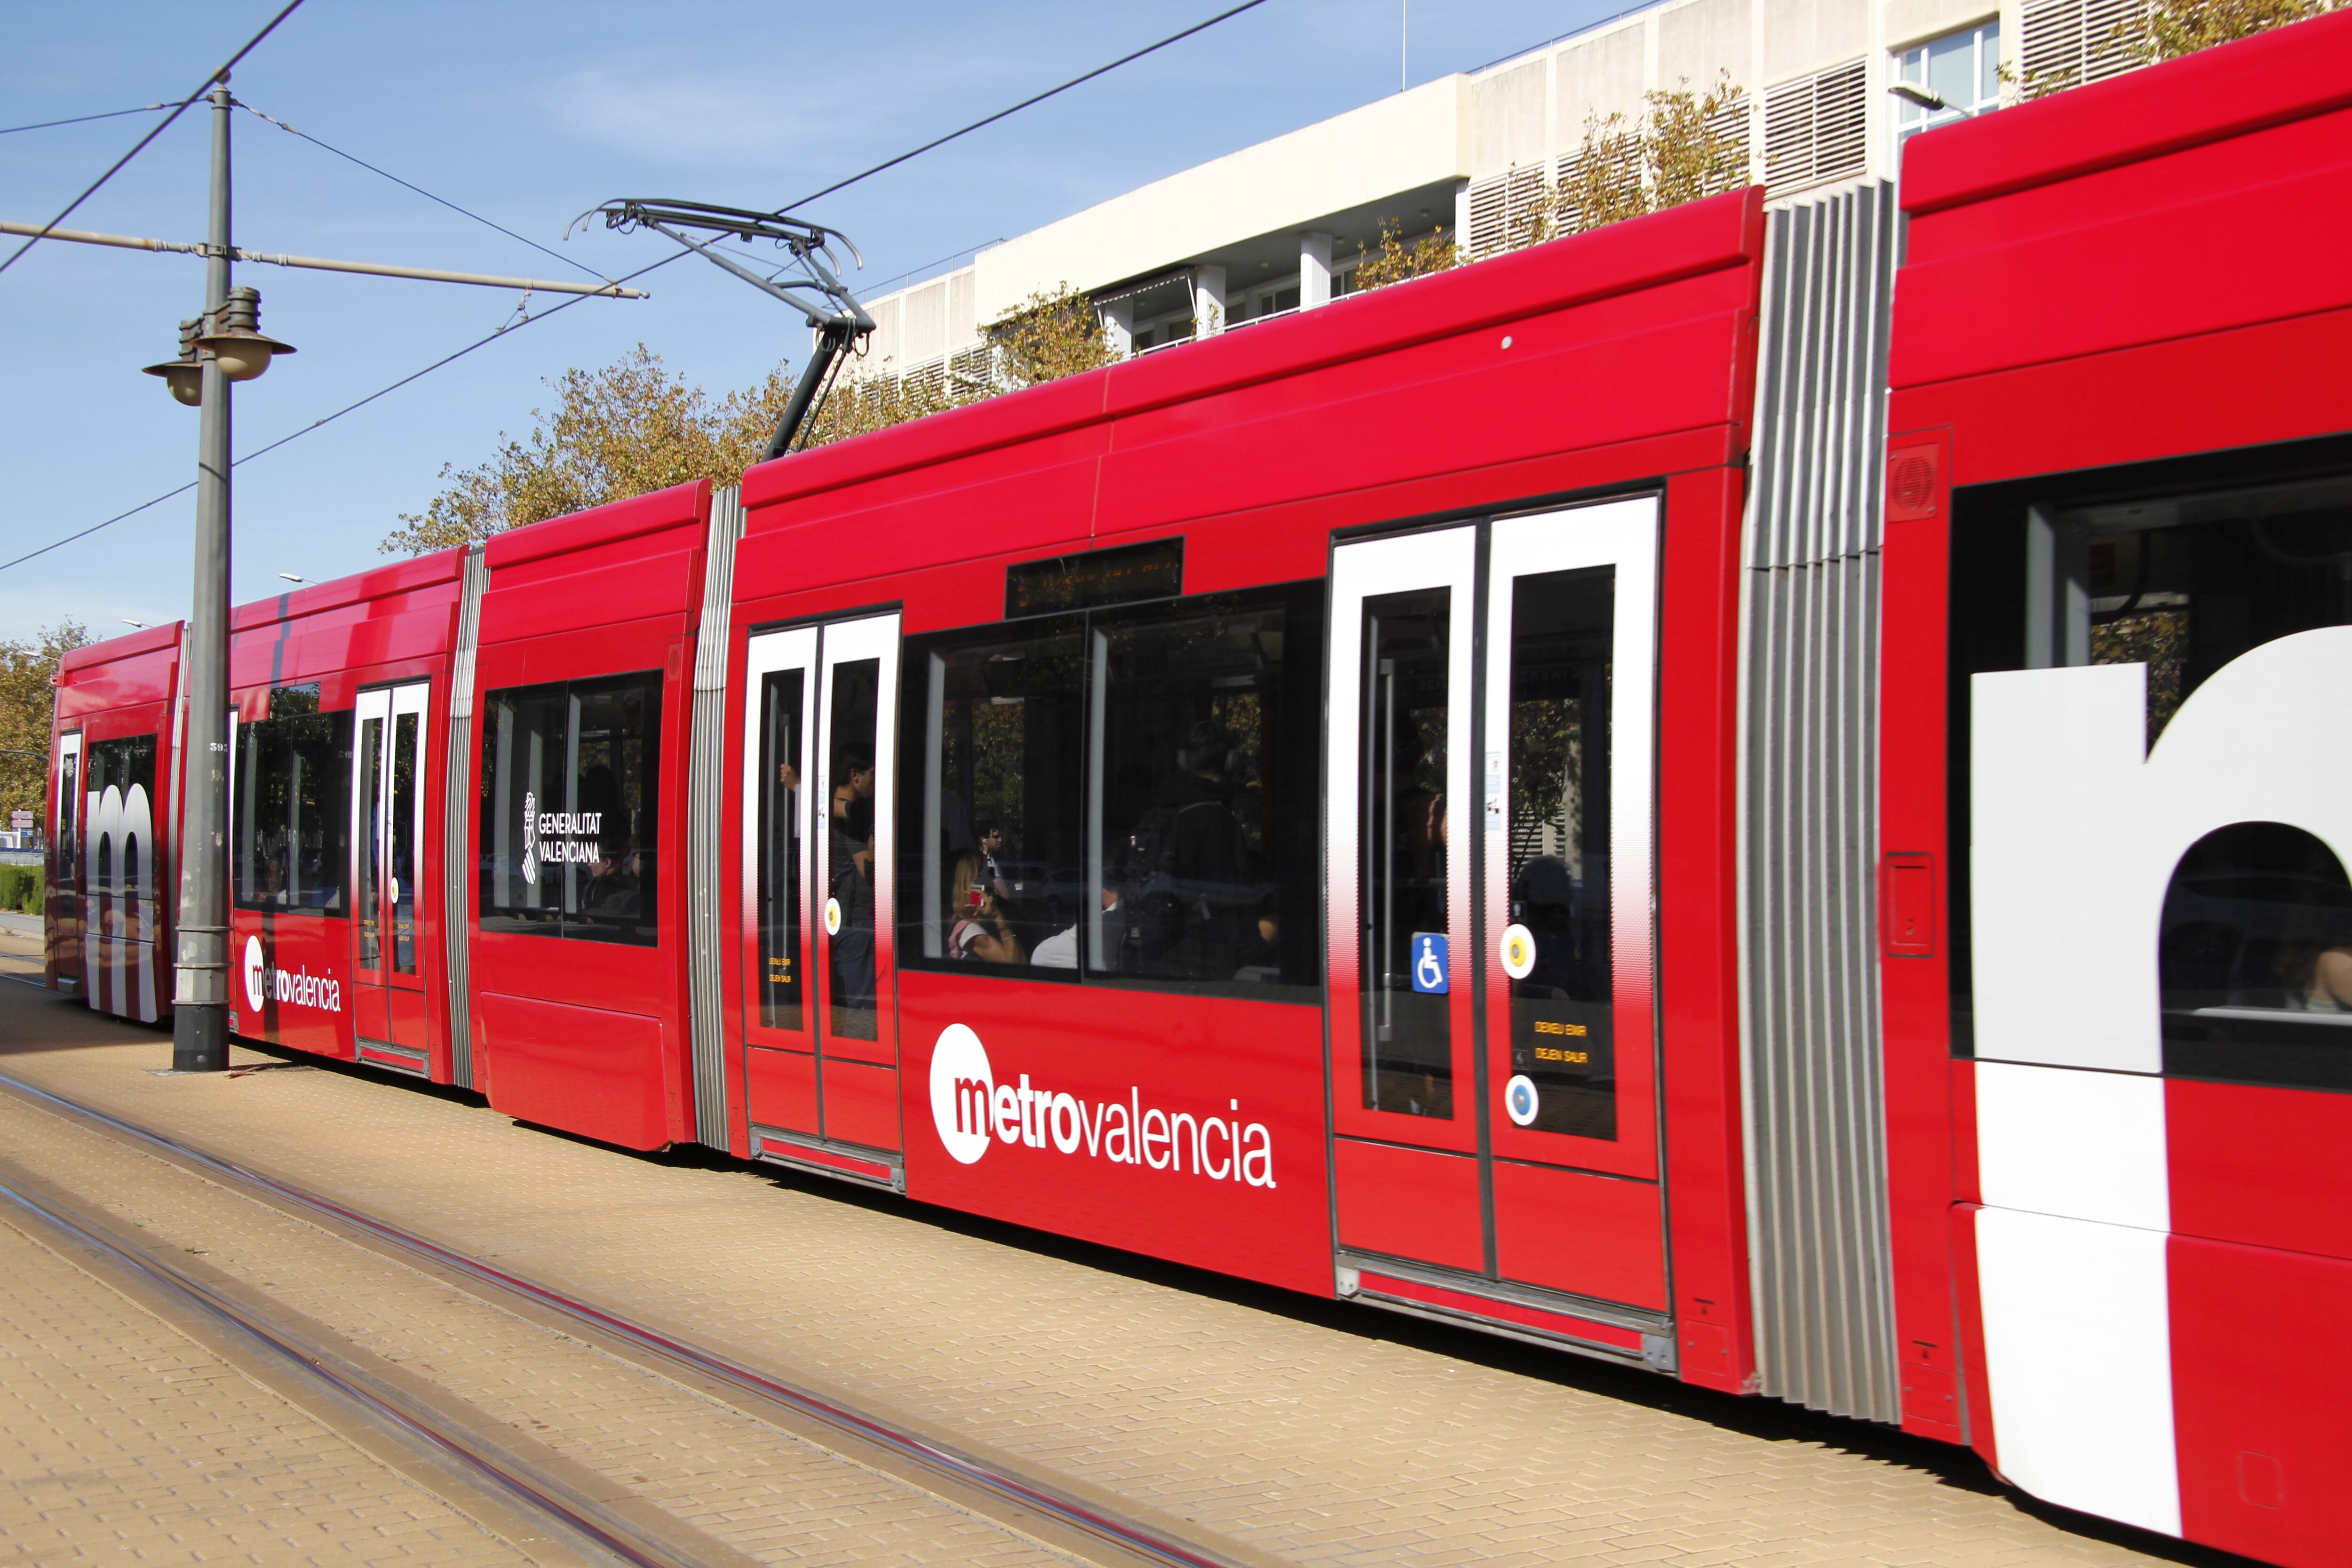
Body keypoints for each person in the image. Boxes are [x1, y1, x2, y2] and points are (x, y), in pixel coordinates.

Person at [1132, 720, 1255, 981]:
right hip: (1202, 961)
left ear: (1183, 761)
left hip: (1159, 952)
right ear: (1231, 761)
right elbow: (1229, 898)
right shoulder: (1218, 820)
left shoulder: (1161, 811)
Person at [829, 748, 877, 1033]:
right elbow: (868, 870)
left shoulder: (824, 807)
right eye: (873, 775)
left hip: (841, 918)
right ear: (855, 776)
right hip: (856, 922)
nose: (875, 782)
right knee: (863, 1008)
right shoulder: (850, 818)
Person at [946, 850, 1024, 964]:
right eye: (986, 874)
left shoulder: (981, 918)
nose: (992, 881)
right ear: (973, 882)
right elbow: (1014, 965)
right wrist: (999, 918)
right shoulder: (970, 931)